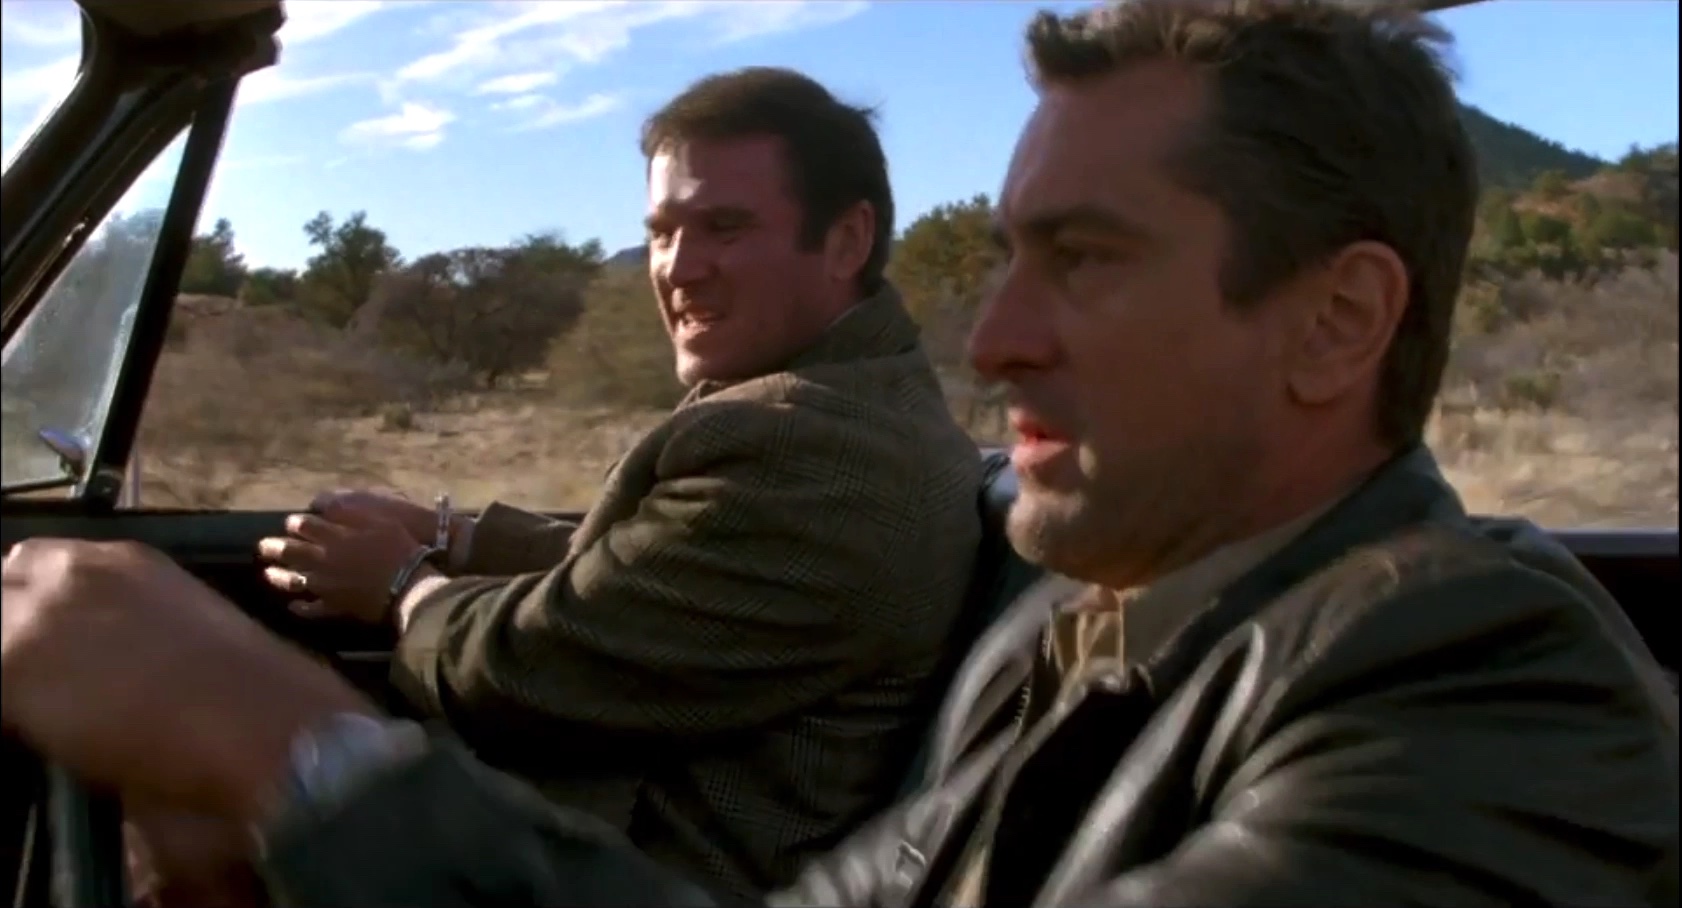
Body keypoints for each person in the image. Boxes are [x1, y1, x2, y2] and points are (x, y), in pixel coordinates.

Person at [3, 1, 1676, 906]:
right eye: (1005, 257)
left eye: (1084, 259)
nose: (992, 337)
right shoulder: (1076, 632)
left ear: (1334, 322)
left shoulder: (1485, 688)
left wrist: (311, 765)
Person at [233, 66, 984, 900]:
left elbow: (531, 667)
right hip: (606, 826)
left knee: (133, 623)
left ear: (846, 240)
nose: (678, 268)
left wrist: (402, 584)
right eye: (662, 232)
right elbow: (663, 578)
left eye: (724, 227)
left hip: (643, 873)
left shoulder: (816, 443)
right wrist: (458, 537)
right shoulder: (844, 406)